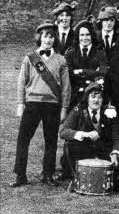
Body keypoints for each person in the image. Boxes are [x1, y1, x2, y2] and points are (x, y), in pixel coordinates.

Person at [12, 21, 71, 187]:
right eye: (45, 36)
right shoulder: (30, 58)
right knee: (23, 140)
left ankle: (48, 174)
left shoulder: (61, 60)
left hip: (52, 105)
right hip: (32, 104)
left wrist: (64, 108)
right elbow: (21, 82)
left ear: (55, 39)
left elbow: (66, 87)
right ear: (40, 37)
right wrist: (20, 103)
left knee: (51, 140)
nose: (48, 40)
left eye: (52, 36)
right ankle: (20, 175)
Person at [58, 83, 119, 181]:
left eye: (100, 97)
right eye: (93, 97)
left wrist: (115, 153)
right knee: (69, 144)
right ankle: (73, 174)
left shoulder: (110, 112)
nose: (96, 100)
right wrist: (84, 134)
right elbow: (63, 132)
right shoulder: (77, 110)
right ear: (87, 98)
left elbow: (117, 137)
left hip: (103, 150)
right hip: (84, 149)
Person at [65, 19, 109, 111]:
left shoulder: (100, 53)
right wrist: (94, 72)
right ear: (77, 36)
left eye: (87, 34)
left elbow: (103, 72)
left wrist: (81, 71)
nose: (85, 38)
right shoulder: (70, 53)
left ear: (92, 35)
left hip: (94, 96)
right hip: (74, 97)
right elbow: (68, 73)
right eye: (82, 35)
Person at [95, 6, 119, 115]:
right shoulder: (94, 37)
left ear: (115, 22)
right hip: (98, 82)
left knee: (117, 115)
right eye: (105, 20)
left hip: (117, 84)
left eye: (111, 20)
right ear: (100, 22)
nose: (108, 23)